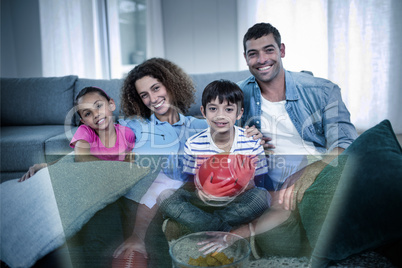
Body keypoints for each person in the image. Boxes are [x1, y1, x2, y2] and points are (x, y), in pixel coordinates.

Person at [198, 22, 358, 259]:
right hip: (275, 191)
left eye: (269, 50)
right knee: (278, 241)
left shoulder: (322, 91)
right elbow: (210, 130)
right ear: (245, 58)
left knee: (347, 175)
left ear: (281, 50)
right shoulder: (236, 96)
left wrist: (309, 173)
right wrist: (237, 139)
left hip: (321, 172)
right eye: (253, 53)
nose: (262, 59)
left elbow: (346, 144)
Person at [113, 58, 263, 266]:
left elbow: (229, 134)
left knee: (260, 197)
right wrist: (137, 236)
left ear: (170, 84)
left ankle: (219, 232)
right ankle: (225, 233)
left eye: (156, 88)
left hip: (193, 202)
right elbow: (101, 137)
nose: (153, 98)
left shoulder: (200, 126)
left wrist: (252, 135)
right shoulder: (135, 125)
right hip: (140, 204)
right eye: (144, 95)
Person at [158, 79, 270, 234]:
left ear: (239, 113)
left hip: (237, 202)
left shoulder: (251, 143)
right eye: (213, 109)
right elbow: (190, 182)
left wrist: (243, 182)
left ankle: (207, 226)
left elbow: (259, 184)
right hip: (204, 202)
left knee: (262, 197)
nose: (220, 116)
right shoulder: (194, 144)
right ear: (203, 112)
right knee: (165, 196)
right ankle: (223, 229)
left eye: (229, 109)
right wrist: (202, 192)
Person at [18, 86, 135, 182]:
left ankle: (45, 166)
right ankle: (44, 167)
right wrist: (118, 168)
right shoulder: (85, 131)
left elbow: (130, 162)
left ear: (111, 104)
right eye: (88, 113)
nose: (96, 114)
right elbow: (81, 159)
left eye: (98, 106)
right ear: (84, 121)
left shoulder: (127, 134)